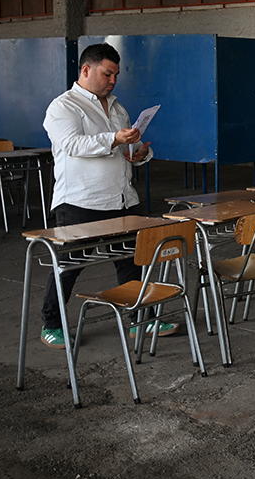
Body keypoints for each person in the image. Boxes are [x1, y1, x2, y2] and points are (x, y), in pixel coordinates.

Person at [38, 43, 172, 348]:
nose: (113, 80)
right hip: (80, 201)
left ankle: (140, 319)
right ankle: (52, 323)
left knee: (131, 261)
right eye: (107, 73)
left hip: (121, 197)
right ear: (86, 70)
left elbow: (121, 150)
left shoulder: (117, 107)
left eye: (116, 75)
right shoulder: (64, 107)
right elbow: (73, 145)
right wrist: (113, 138)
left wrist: (138, 153)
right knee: (70, 264)